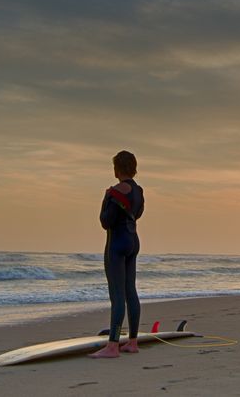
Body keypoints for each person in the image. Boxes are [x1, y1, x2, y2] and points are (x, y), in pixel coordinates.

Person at [90, 150, 145, 358]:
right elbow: (138, 214)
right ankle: (132, 342)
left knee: (117, 294)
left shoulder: (115, 191)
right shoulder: (139, 191)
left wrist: (106, 198)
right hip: (133, 241)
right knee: (131, 290)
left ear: (117, 168)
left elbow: (105, 222)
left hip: (116, 243)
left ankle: (112, 346)